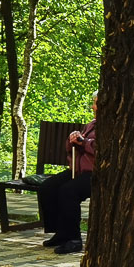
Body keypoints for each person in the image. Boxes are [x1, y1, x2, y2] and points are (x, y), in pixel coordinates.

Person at [38, 92, 97, 254]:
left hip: (96, 174)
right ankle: (61, 232)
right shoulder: (92, 124)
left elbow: (101, 149)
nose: (93, 107)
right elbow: (74, 148)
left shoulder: (113, 125)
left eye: (96, 103)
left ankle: (74, 239)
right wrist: (73, 139)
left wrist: (84, 142)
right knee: (48, 187)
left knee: (68, 191)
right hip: (77, 171)